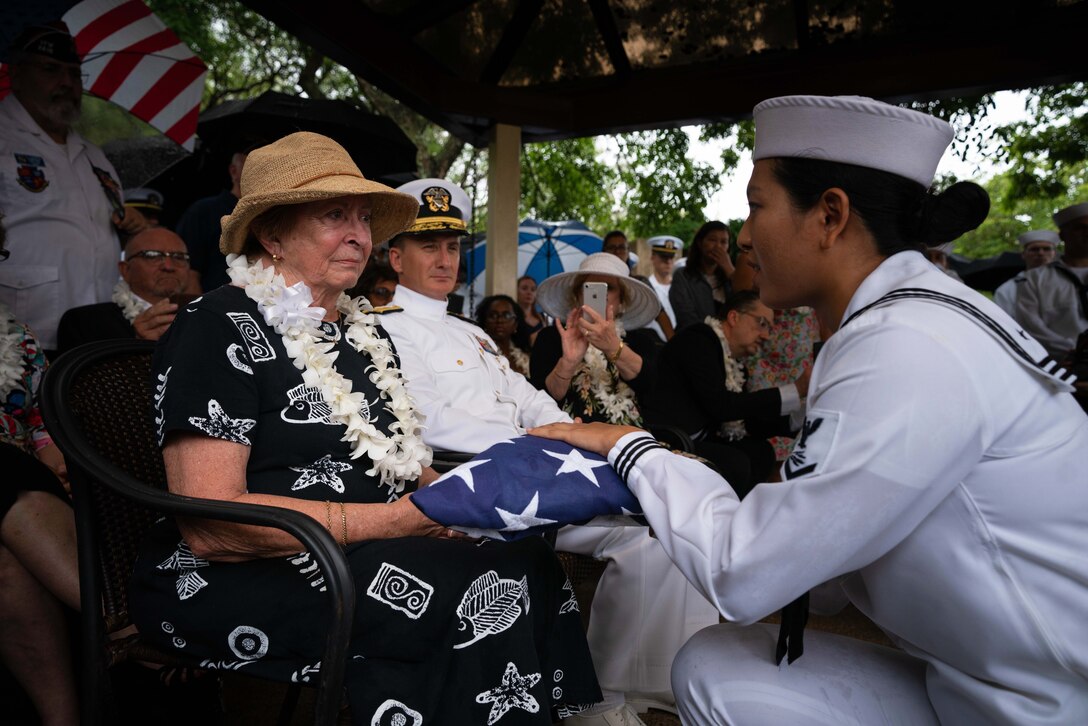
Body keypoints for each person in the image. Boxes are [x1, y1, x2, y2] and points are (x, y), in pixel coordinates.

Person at [531, 94, 1088, 724]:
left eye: (756, 206)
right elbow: (817, 578)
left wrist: (631, 449)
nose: (742, 236)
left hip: (1049, 700)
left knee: (717, 658)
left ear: (830, 215)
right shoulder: (900, 318)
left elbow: (745, 575)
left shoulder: (909, 343)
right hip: (976, 675)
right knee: (713, 665)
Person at [127, 132, 600, 723]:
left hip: (364, 544)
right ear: (272, 234)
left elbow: (402, 457)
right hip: (240, 569)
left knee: (521, 558)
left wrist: (453, 508)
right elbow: (213, 525)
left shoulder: (360, 333)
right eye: (334, 215)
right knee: (465, 592)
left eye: (364, 217)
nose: (359, 234)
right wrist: (405, 519)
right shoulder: (215, 324)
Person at [379, 188, 719, 726]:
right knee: (647, 510)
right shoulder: (386, 329)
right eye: (429, 247)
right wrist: (540, 442)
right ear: (396, 258)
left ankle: (621, 684)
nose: (445, 259)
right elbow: (432, 421)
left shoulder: (471, 331)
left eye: (452, 246)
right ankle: (599, 702)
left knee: (656, 529)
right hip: (478, 483)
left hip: (535, 470)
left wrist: (562, 430)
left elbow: (529, 395)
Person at [0, 21, 149, 354]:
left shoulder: (94, 155)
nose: (66, 83)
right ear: (18, 74)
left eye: (73, 73)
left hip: (98, 323)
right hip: (22, 326)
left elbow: (105, 224)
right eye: (51, 70)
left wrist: (131, 227)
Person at [0, 216, 82, 726]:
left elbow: (40, 419)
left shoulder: (17, 338)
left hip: (23, 480)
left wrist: (53, 450)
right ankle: (118, 621)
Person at [642, 290, 808, 496]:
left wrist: (798, 416)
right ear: (734, 317)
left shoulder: (737, 366)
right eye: (762, 323)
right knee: (736, 463)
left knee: (761, 451)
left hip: (702, 436)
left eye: (770, 328)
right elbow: (721, 406)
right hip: (668, 437)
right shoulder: (698, 340)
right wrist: (795, 389)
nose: (766, 335)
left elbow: (747, 422)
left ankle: (745, 519)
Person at [530, 253, 661, 427]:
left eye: (610, 288)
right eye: (591, 287)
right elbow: (542, 398)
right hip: (568, 436)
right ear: (578, 295)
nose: (603, 293)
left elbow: (651, 387)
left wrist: (614, 347)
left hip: (629, 439)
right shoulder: (552, 337)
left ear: (622, 300)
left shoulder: (642, 340)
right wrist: (568, 361)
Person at [56, 227, 191, 353]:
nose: (168, 266)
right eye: (152, 255)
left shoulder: (203, 318)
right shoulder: (85, 323)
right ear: (125, 269)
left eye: (178, 257)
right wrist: (139, 346)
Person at [1015, 201, 1088, 360]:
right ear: (1062, 235)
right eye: (1080, 228)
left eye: (1046, 249)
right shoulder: (1033, 279)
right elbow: (1031, 326)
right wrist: (1077, 351)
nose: (1086, 233)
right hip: (1060, 364)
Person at [175, 149, 248, 292]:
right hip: (217, 303)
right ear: (234, 171)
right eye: (253, 168)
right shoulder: (204, 211)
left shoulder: (273, 214)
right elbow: (190, 271)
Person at [669, 221, 735, 330]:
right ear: (700, 243)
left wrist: (729, 270)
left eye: (724, 242)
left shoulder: (730, 279)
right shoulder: (683, 276)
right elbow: (686, 318)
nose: (718, 246)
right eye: (712, 240)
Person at [993, 230, 1059, 316]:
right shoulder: (1007, 289)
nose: (1041, 253)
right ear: (1024, 254)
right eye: (1034, 249)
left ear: (1054, 253)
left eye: (1047, 249)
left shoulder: (1067, 283)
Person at [476, 294, 531, 377]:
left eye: (506, 315)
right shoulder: (480, 352)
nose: (500, 320)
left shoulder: (526, 354)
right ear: (484, 321)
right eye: (493, 315)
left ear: (516, 323)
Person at [641, 236, 681, 342]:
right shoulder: (646, 288)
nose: (668, 261)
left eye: (671, 257)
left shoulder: (681, 288)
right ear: (653, 257)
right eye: (664, 257)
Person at [516, 274, 547, 347]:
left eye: (533, 289)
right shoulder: (513, 318)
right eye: (524, 288)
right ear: (516, 291)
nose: (529, 292)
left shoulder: (543, 317)